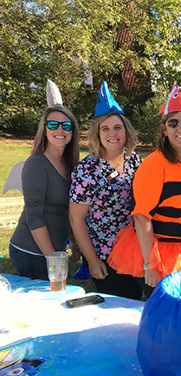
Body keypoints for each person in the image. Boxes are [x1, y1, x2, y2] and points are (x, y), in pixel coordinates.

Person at [108, 83, 181, 296]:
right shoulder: (154, 164)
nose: (180, 129)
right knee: (169, 314)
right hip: (161, 254)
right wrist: (149, 265)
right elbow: (142, 218)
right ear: (164, 129)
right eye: (173, 123)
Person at [69, 81, 143, 300]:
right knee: (115, 310)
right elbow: (76, 219)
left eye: (117, 127)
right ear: (97, 134)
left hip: (134, 251)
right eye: (106, 128)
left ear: (126, 131)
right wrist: (92, 260)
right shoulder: (88, 168)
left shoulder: (134, 161)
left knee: (136, 305)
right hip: (105, 255)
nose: (113, 134)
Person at [9, 80, 80, 279]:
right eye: (53, 125)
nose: (60, 130)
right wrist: (52, 258)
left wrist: (73, 241)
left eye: (66, 125)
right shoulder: (37, 164)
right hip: (31, 252)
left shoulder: (69, 163)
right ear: (44, 129)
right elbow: (34, 216)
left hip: (54, 250)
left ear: (72, 131)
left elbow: (69, 208)